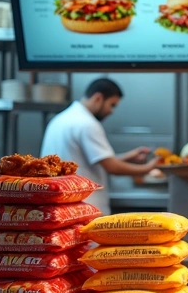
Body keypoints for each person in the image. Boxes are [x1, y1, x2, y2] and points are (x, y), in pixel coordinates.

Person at [40, 78, 158, 214]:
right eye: (112, 105)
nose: (111, 111)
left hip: (62, 203)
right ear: (98, 98)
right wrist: (149, 168)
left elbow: (93, 160)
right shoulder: (87, 124)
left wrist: (129, 156)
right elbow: (111, 166)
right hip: (84, 206)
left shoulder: (61, 119)